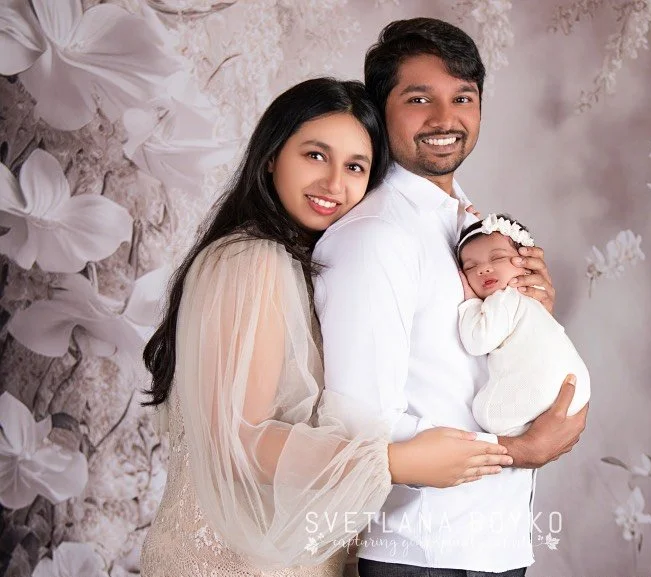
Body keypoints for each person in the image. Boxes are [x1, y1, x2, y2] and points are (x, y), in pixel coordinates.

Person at [138, 78, 513, 577]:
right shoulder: (252, 261)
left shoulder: (301, 261)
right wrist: (397, 462)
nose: (335, 184)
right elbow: (240, 441)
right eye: (316, 156)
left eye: (355, 166)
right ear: (272, 155)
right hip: (233, 563)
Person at [313, 19, 590, 577]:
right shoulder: (376, 237)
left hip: (493, 543)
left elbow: (457, 371)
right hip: (422, 552)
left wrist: (524, 325)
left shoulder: (470, 225)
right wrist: (520, 451)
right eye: (419, 98)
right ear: (379, 108)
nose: (445, 118)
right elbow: (360, 421)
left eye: (462, 97)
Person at [457, 213, 592, 437]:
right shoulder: (533, 303)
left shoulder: (505, 298)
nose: (484, 269)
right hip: (576, 386)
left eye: (498, 258)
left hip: (544, 388)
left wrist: (470, 302)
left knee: (485, 413)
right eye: (470, 267)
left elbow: (477, 341)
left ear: (526, 265)